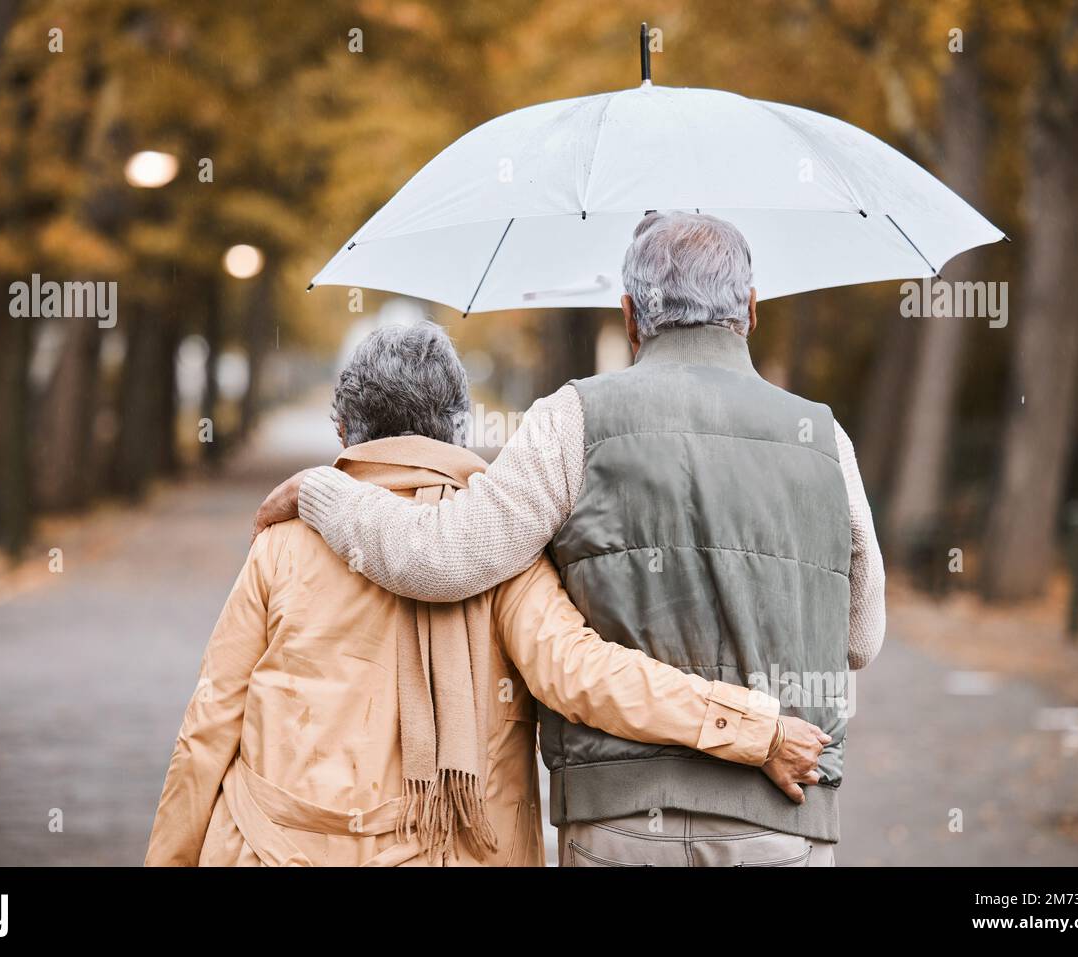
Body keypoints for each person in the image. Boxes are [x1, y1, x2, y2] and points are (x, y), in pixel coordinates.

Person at [251, 212, 887, 866]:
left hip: (622, 817)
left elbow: (441, 559)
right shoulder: (825, 439)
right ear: (751, 310)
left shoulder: (572, 421)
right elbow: (861, 638)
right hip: (781, 812)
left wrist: (325, 493)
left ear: (631, 315)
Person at [146, 319, 828, 867]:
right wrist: (750, 726)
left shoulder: (284, 543)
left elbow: (206, 732)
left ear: (342, 430)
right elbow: (586, 674)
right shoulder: (503, 552)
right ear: (459, 427)